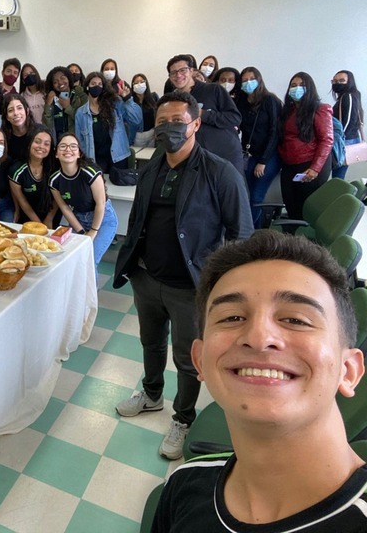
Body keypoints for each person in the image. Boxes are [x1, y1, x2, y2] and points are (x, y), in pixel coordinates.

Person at [153, 230, 367, 532]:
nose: (258, 338)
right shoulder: (185, 483)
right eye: (232, 317)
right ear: (200, 360)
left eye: (295, 320)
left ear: (348, 370)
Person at [113, 91, 253, 460]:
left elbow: (242, 235)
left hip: (190, 286)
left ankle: (183, 417)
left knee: (188, 358)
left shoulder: (220, 173)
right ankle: (152, 394)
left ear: (195, 123)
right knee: (151, 343)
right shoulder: (152, 166)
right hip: (146, 279)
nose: (169, 129)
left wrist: (225, 287)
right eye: (162, 123)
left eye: (177, 121)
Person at [49, 133, 118, 281]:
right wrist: (80, 231)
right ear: (56, 153)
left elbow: (101, 203)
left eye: (73, 146)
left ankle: (90, 303)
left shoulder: (90, 172)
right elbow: (64, 207)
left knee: (89, 260)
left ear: (79, 153)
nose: (68, 149)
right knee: (72, 258)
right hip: (78, 219)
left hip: (102, 219)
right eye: (63, 146)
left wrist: (92, 233)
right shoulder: (54, 180)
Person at [166, 54, 244, 173]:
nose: (178, 75)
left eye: (183, 70)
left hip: (225, 156)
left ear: (191, 71)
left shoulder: (213, 90)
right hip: (196, 159)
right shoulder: (174, 101)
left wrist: (202, 114)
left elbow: (234, 118)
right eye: (173, 72)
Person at [278, 72, 333, 220]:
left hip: (310, 165)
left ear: (310, 88)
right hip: (289, 165)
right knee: (290, 206)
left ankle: (305, 242)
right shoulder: (288, 110)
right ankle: (291, 240)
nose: (297, 88)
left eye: (302, 86)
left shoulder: (320, 109)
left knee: (306, 210)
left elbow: (326, 140)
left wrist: (315, 168)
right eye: (293, 85)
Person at [235, 66, 282, 228]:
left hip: (269, 156)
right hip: (249, 154)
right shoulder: (241, 102)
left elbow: (275, 132)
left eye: (251, 79)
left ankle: (248, 234)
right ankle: (251, 231)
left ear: (259, 80)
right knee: (247, 196)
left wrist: (263, 161)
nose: (248, 83)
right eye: (245, 80)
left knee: (256, 197)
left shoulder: (270, 100)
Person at [74, 71, 142, 179]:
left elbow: (136, 120)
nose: (97, 86)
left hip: (118, 156)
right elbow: (79, 140)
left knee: (119, 190)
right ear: (87, 87)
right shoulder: (80, 113)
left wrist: (127, 100)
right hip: (95, 159)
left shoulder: (115, 105)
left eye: (100, 84)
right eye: (93, 84)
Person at [10, 125, 58, 227]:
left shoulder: (55, 168)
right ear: (29, 143)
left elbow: (57, 199)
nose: (41, 146)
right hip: (28, 218)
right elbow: (22, 201)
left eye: (46, 144)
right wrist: (39, 225)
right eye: (37, 142)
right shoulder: (16, 170)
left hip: (52, 217)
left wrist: (49, 219)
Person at [331, 70, 364, 179]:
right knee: (338, 173)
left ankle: (338, 194)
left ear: (350, 82)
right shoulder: (348, 96)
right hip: (347, 139)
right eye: (335, 81)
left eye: (342, 81)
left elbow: (349, 120)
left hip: (345, 141)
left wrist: (339, 139)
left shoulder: (348, 96)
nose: (337, 83)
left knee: (338, 175)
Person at [43, 66, 88, 139]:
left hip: (78, 141)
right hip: (58, 142)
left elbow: (85, 121)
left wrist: (68, 108)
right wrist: (48, 105)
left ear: (68, 78)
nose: (60, 82)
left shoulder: (80, 94)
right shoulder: (52, 98)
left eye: (62, 78)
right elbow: (47, 126)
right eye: (55, 82)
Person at [2, 93, 36, 162]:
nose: (16, 113)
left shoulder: (39, 132)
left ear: (27, 111)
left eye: (19, 108)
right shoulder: (3, 137)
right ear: (7, 117)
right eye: (11, 110)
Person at [130, 73, 159, 147]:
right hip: (138, 135)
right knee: (139, 156)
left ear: (146, 83)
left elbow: (159, 115)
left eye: (141, 82)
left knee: (150, 156)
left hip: (152, 132)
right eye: (136, 83)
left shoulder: (153, 97)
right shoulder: (131, 102)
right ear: (133, 86)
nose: (139, 84)